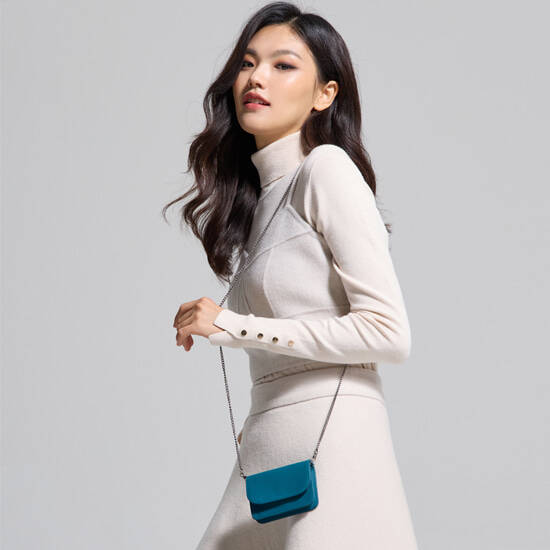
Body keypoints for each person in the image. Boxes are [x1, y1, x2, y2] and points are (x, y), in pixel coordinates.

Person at [165, 2, 419, 548]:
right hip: (268, 443)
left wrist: (231, 325)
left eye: (283, 65)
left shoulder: (326, 170)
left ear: (325, 94)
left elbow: (388, 333)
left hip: (335, 444)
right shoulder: (261, 203)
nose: (256, 77)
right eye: (248, 63)